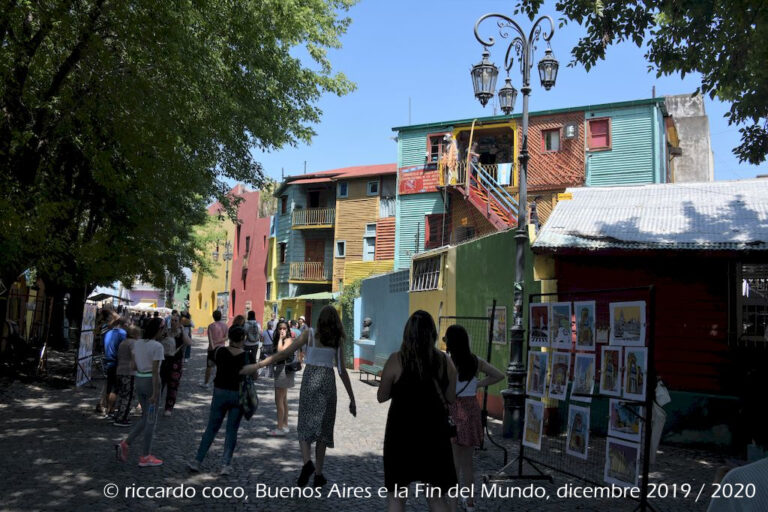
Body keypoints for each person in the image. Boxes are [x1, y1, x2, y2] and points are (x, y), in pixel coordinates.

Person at [242, 305, 356, 488]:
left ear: (320, 319)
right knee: (323, 430)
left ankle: (306, 463)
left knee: (304, 423)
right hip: (327, 383)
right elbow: (342, 371)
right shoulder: (336, 339)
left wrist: (258, 365)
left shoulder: (309, 334)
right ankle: (318, 474)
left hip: (310, 380)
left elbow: (285, 353)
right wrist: (352, 398)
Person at [378, 310, 458, 512]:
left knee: (397, 498)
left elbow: (382, 396)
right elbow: (450, 398)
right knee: (436, 498)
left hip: (401, 435)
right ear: (432, 333)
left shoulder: (396, 360)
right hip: (434, 434)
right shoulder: (444, 361)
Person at [444, 325, 504, 512]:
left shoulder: (447, 362)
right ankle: (470, 503)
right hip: (471, 411)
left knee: (453, 463)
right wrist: (478, 383)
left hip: (454, 410)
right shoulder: (476, 361)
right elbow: (499, 375)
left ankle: (452, 505)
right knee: (468, 463)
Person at [188, 326, 249, 475]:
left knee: (211, 428)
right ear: (243, 339)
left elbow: (210, 364)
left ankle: (197, 461)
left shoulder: (219, 351)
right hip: (237, 394)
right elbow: (254, 376)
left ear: (229, 337)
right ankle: (225, 465)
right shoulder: (246, 356)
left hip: (220, 392)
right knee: (231, 430)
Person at [116, 317, 166, 467]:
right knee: (151, 420)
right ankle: (145, 455)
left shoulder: (137, 344)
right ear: (158, 329)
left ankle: (126, 443)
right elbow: (156, 371)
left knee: (146, 417)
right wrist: (156, 392)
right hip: (151, 382)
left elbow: (133, 366)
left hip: (139, 380)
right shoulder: (157, 346)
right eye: (163, 329)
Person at [267, 321, 295, 436]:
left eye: (284, 328)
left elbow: (281, 351)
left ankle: (279, 428)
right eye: (280, 328)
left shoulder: (288, 340)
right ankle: (285, 425)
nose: (282, 330)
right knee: (283, 400)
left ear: (287, 330)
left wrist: (280, 339)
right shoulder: (282, 339)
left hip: (283, 371)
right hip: (281, 370)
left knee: (278, 400)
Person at [161, 314, 191, 416]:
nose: (173, 322)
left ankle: (168, 408)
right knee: (160, 383)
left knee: (173, 385)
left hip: (176, 362)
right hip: (164, 360)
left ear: (179, 322)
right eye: (172, 320)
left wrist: (183, 331)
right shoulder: (166, 332)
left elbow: (188, 342)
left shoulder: (181, 333)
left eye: (175, 320)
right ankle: (155, 405)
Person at [113, 326, 141, 427]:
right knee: (128, 396)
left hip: (120, 371)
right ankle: (122, 418)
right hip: (130, 372)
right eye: (139, 334)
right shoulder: (133, 343)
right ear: (135, 335)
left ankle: (118, 415)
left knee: (121, 394)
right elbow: (134, 355)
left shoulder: (123, 342)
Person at [99, 318, 127, 416]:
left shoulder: (108, 333)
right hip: (117, 362)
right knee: (115, 388)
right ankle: (111, 409)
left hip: (108, 361)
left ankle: (107, 407)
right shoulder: (122, 333)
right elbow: (124, 348)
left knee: (109, 385)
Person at [203, 310, 228, 388]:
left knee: (209, 366)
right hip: (221, 349)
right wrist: (219, 341)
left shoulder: (210, 326)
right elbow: (226, 338)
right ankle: (221, 383)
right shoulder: (225, 326)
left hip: (212, 349)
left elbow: (210, 339)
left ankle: (206, 383)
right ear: (220, 316)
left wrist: (213, 347)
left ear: (213, 317)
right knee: (221, 366)